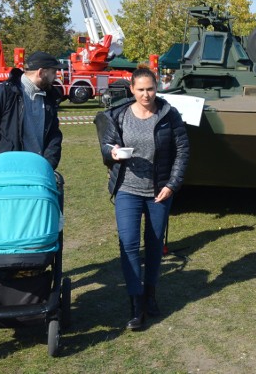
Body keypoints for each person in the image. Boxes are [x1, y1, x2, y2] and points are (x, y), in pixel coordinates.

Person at [95, 65, 189, 330]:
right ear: (132, 89)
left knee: (155, 244)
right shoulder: (120, 114)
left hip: (159, 192)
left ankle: (151, 295)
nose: (146, 94)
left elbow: (182, 151)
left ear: (156, 88)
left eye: (150, 89)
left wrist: (172, 185)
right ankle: (136, 304)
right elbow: (106, 145)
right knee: (129, 245)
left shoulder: (169, 115)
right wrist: (110, 153)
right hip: (127, 190)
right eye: (140, 90)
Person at [0, 51, 63, 170]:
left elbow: (54, 134)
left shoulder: (49, 97)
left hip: (38, 173)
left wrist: (48, 165)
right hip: (7, 172)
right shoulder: (4, 93)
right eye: (53, 72)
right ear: (40, 72)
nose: (55, 77)